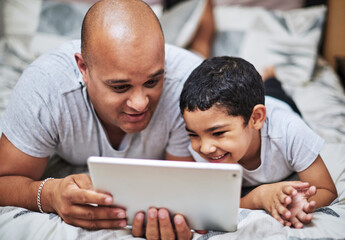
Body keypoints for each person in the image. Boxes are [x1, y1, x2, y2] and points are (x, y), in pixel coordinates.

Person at [0, 0, 202, 239]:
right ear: (83, 68)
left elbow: (183, 186)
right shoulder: (46, 89)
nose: (140, 103)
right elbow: (5, 181)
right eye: (120, 86)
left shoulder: (188, 87)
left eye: (152, 82)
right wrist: (49, 194)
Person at [179, 56, 338, 228]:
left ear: (256, 118)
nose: (205, 148)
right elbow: (216, 204)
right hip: (252, 109)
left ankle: (270, 77)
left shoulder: (290, 132)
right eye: (193, 134)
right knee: (254, 96)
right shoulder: (201, 146)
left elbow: (327, 191)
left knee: (273, 89)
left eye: (218, 133)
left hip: (280, 105)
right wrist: (259, 197)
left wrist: (298, 203)